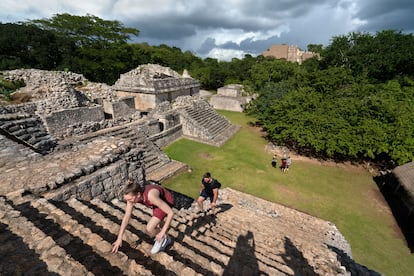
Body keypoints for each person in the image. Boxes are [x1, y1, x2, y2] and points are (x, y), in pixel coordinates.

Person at [112, 178, 175, 255]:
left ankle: (163, 238)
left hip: (165, 200)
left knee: (150, 227)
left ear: (138, 195)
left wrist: (162, 232)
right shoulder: (133, 199)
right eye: (126, 200)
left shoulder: (151, 197)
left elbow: (171, 213)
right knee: (158, 221)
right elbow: (126, 217)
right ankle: (167, 238)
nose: (128, 202)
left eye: (129, 199)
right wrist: (119, 238)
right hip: (156, 203)